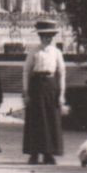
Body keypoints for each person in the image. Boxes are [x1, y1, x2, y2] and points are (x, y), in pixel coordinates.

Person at [21, 20, 66, 164]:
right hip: (36, 86)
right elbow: (26, 71)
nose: (47, 39)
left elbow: (62, 73)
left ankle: (48, 153)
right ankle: (34, 153)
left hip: (51, 86)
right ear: (40, 36)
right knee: (36, 120)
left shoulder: (56, 52)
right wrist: (26, 92)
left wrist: (62, 94)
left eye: (50, 36)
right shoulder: (34, 51)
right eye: (44, 36)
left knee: (51, 119)